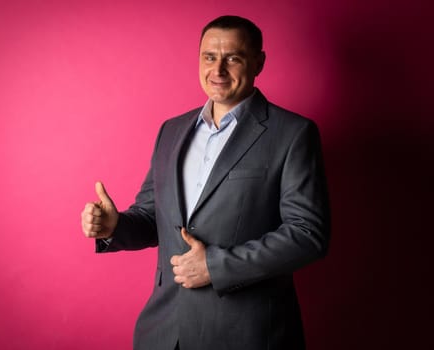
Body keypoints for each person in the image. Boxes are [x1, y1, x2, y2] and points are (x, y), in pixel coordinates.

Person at [81, 15, 330, 350]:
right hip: (165, 331)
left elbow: (307, 234)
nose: (219, 70)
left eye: (234, 58)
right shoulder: (171, 131)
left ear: (259, 62)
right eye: (210, 57)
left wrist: (216, 266)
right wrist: (115, 226)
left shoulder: (293, 134)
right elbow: (153, 218)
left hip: (248, 334)